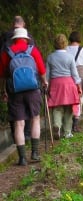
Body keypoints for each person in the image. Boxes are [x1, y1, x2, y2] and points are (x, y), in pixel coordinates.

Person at [0, 27, 48, 166]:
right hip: (33, 90)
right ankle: (35, 153)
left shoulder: (6, 53)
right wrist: (44, 82)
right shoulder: (32, 50)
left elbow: (2, 76)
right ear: (26, 39)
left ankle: (22, 158)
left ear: (13, 39)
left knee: (19, 123)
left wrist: (3, 91)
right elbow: (41, 69)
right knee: (35, 119)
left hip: (15, 91)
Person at [0, 16, 34, 142]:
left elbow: (2, 67)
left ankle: (16, 136)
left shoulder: (5, 37)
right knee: (29, 106)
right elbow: (36, 61)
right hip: (30, 80)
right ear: (23, 24)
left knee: (14, 109)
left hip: (12, 80)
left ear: (12, 24)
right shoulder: (29, 38)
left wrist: (3, 89)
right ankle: (27, 135)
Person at [46, 34, 82, 140]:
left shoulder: (50, 57)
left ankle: (57, 125)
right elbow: (75, 74)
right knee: (68, 109)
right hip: (69, 84)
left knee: (57, 107)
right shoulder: (70, 57)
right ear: (65, 43)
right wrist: (78, 85)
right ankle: (67, 132)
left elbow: (47, 74)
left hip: (55, 84)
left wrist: (46, 85)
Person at [66, 31, 83, 132]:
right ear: (79, 39)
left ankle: (67, 123)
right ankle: (75, 124)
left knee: (68, 99)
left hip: (68, 76)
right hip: (80, 75)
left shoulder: (65, 49)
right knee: (79, 100)